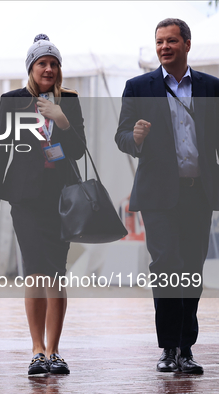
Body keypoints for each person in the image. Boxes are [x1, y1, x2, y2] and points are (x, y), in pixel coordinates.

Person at [115, 18, 219, 375]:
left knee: (191, 270)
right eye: (159, 42)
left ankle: (187, 349)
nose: (164, 47)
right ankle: (169, 347)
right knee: (166, 267)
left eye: (171, 41)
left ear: (187, 44)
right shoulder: (138, 87)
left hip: (199, 194)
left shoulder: (210, 87)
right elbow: (122, 139)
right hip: (158, 196)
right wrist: (137, 138)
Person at [0, 35, 86, 375]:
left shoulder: (68, 100)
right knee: (35, 271)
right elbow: (0, 152)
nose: (49, 68)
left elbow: (78, 150)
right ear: (31, 67)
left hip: (62, 197)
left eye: (54, 64)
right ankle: (37, 350)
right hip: (26, 198)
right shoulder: (12, 101)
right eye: (42, 63)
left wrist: (62, 119)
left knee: (57, 271)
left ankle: (55, 351)